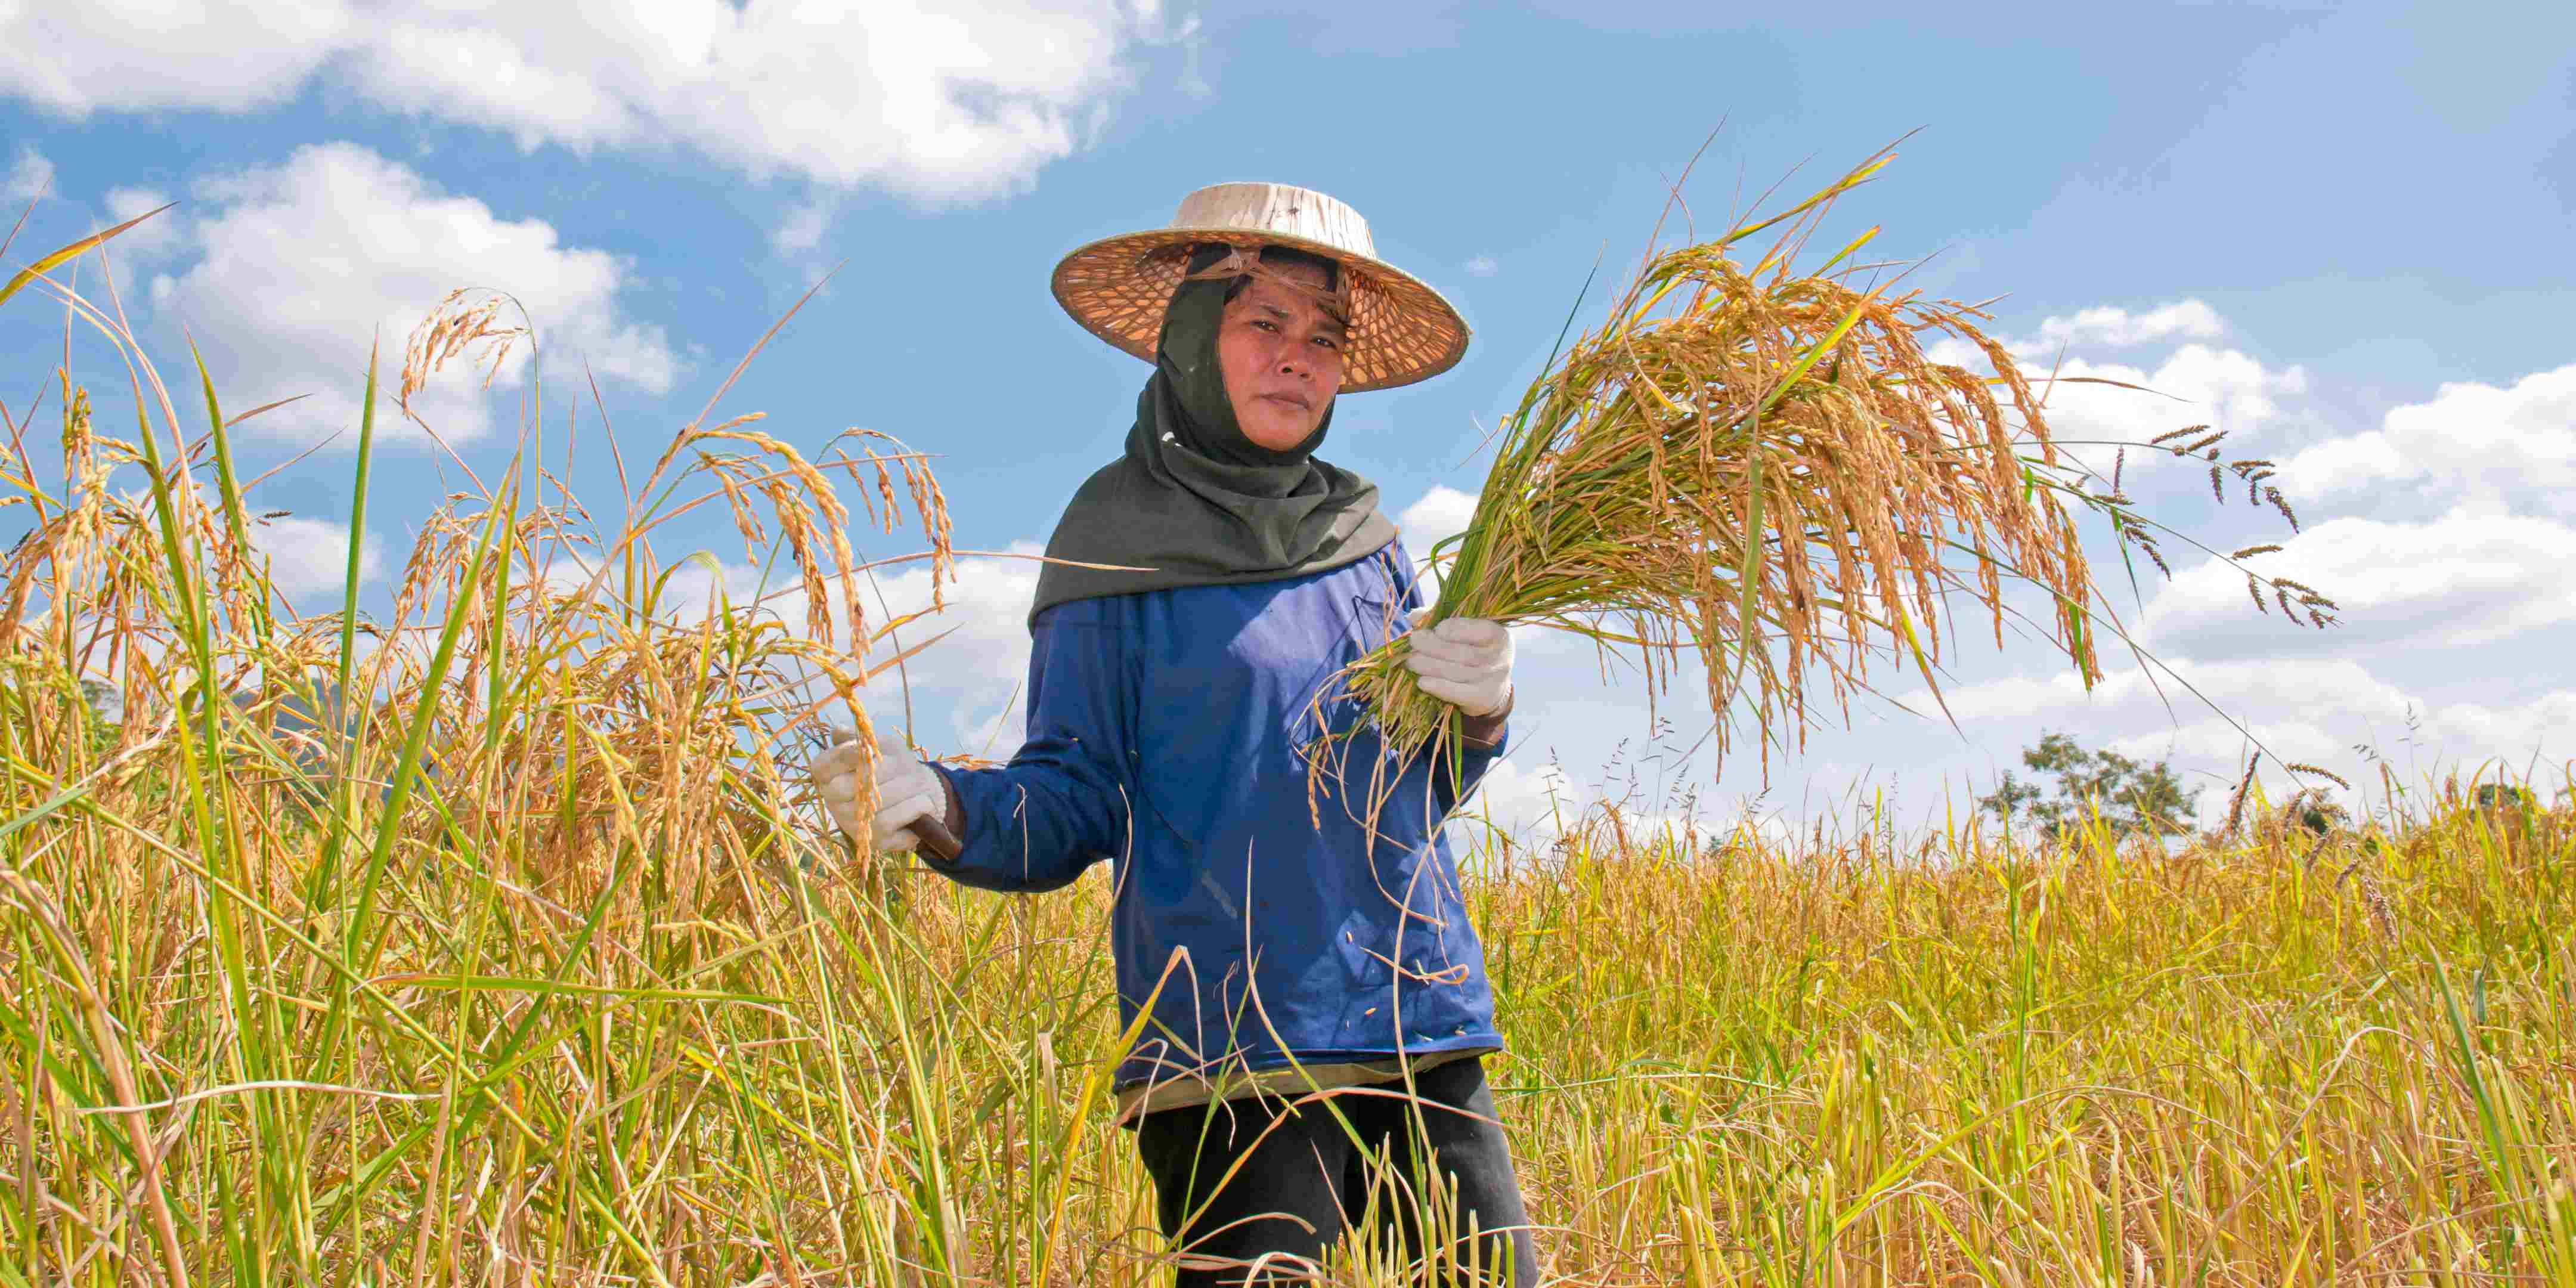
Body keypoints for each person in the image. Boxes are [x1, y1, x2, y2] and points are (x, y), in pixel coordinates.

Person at [812, 182, 1537, 1286]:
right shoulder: (1114, 542)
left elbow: (1405, 792)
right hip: (1231, 1051)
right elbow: (1076, 797)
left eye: (1324, 339)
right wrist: (946, 805)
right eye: (1265, 324)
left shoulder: (1370, 539)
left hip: (1414, 1018)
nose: (1298, 358)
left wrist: (1478, 710)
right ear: (1194, 339)